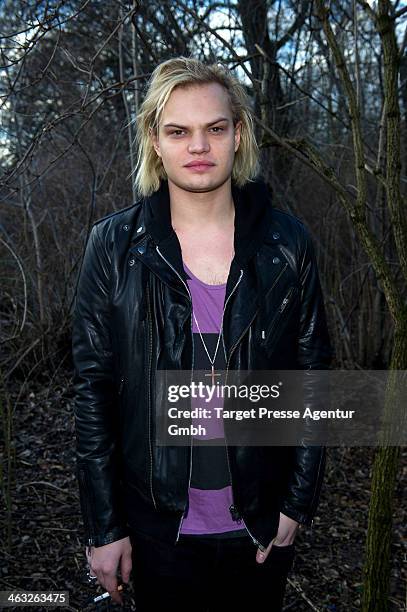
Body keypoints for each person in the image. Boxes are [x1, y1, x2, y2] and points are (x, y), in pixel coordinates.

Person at [72, 56, 333, 611]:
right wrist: (103, 526)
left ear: (239, 135)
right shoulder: (114, 248)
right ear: (154, 140)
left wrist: (295, 506)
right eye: (178, 131)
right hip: (155, 530)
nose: (198, 146)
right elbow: (92, 393)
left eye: (215, 128)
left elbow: (314, 382)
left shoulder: (289, 246)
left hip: (260, 525)